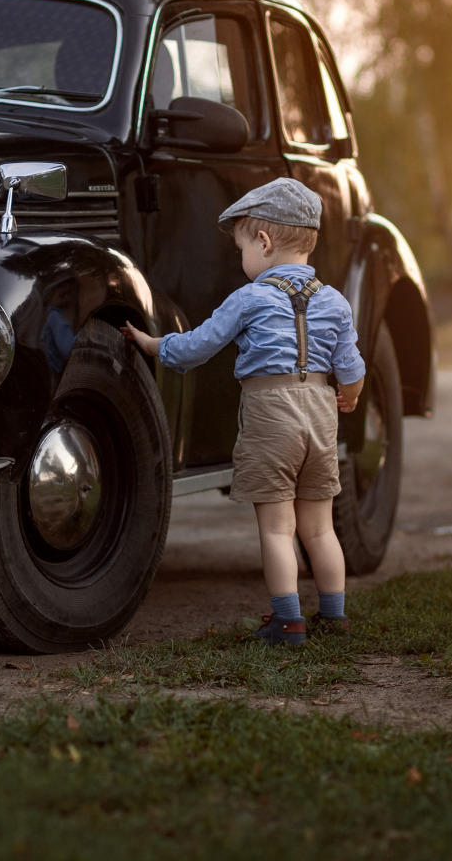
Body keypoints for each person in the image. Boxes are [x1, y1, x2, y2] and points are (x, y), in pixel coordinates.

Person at [122, 178, 365, 646]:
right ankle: (334, 617)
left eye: (240, 250)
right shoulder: (335, 301)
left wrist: (155, 344)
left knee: (277, 527)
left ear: (264, 242)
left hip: (270, 410)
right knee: (318, 526)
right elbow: (350, 366)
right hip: (319, 409)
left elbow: (197, 347)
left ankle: (288, 621)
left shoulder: (250, 298)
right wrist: (350, 395)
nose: (242, 260)